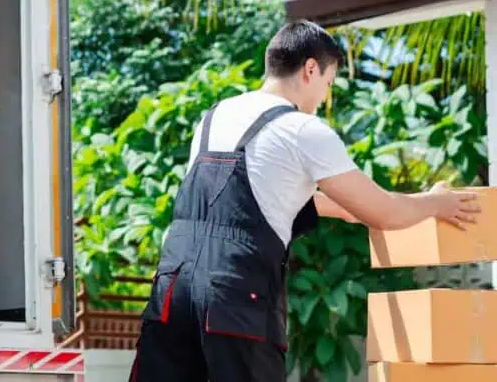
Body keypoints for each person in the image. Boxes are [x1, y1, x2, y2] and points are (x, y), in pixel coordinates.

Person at [130, 20, 481, 381]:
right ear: (310, 69)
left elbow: (251, 200)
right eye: (328, 83)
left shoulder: (214, 116)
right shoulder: (302, 129)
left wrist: (346, 210)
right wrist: (438, 203)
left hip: (173, 292)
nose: (325, 97)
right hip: (234, 296)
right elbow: (386, 213)